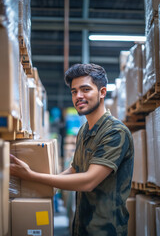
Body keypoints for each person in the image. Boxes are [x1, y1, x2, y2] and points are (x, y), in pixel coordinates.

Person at [10, 63, 134, 236]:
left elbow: (89, 181)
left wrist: (31, 176)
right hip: (82, 226)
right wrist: (48, 187)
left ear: (102, 93)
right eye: (74, 91)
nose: (78, 96)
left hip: (106, 230)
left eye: (85, 89)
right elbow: (75, 168)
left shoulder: (115, 132)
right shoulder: (84, 131)